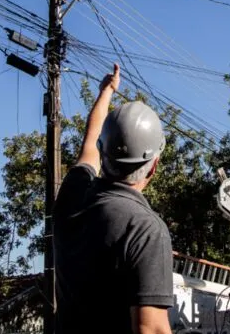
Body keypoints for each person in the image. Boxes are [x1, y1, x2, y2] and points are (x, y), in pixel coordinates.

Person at [53, 63, 173, 334]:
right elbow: (151, 329)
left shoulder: (72, 197)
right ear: (153, 165)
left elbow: (90, 142)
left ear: (103, 152)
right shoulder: (144, 229)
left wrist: (106, 92)